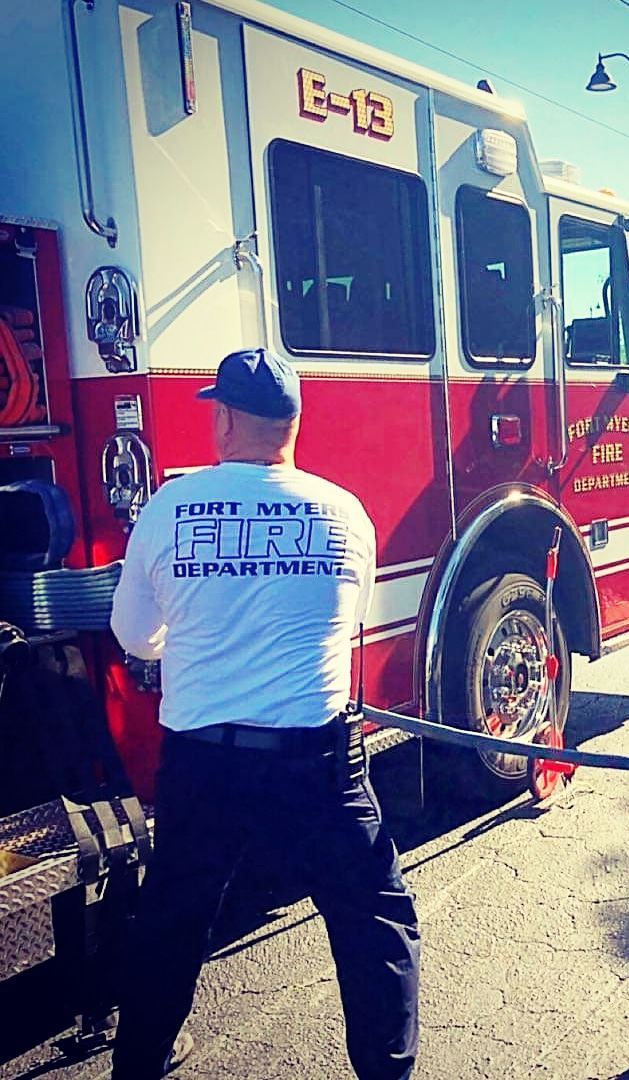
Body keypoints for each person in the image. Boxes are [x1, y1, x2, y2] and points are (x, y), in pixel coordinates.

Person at [109, 349, 420, 1079]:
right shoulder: (344, 510)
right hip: (316, 762)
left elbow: (133, 634)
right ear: (295, 423)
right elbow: (346, 627)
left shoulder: (169, 507)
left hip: (201, 761)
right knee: (376, 922)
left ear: (220, 422)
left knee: (173, 923)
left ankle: (141, 1064)